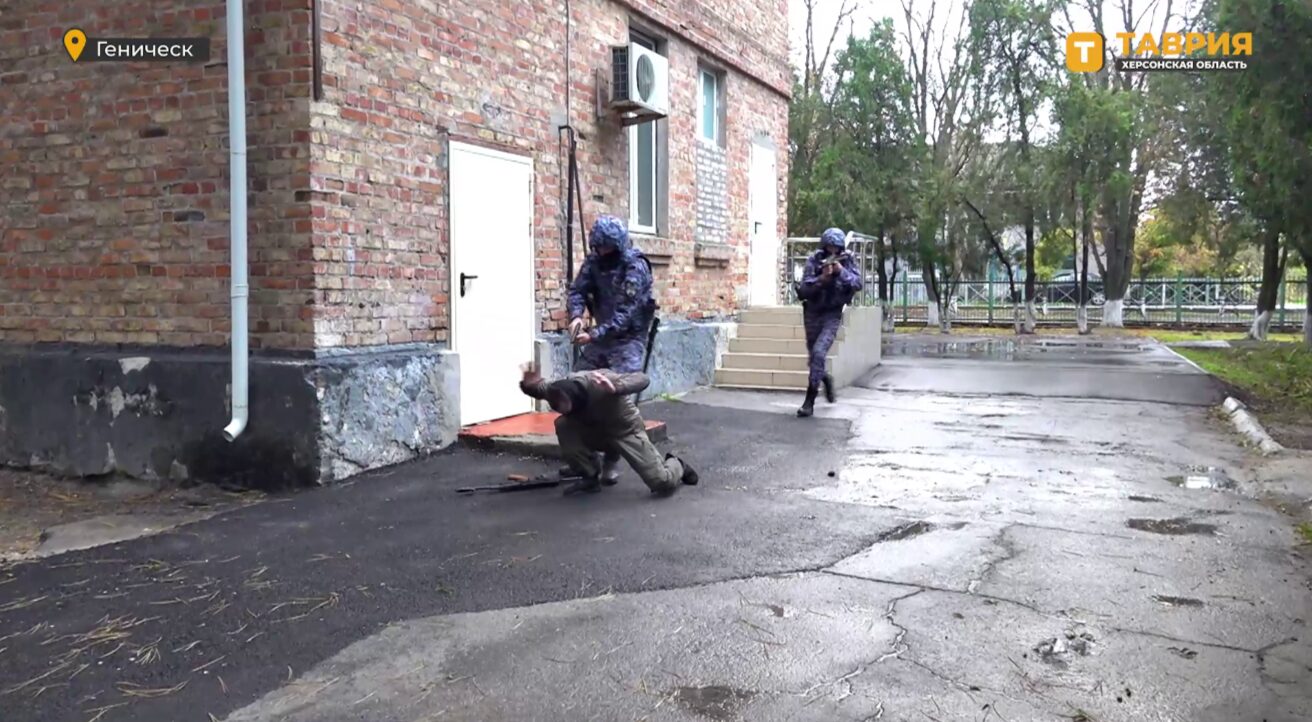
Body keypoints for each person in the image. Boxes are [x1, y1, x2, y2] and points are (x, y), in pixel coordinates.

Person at [565, 216, 657, 484]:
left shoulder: (635, 266)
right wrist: (576, 316)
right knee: (575, 388)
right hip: (601, 338)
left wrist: (593, 334)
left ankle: (611, 459)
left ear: (617, 245)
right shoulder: (594, 261)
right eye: (599, 247)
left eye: (606, 247)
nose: (602, 252)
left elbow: (626, 314)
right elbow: (577, 290)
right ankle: (585, 458)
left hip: (628, 339)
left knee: (614, 396)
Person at [519, 364, 697, 496]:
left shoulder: (599, 381)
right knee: (564, 424)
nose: (560, 409)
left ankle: (677, 464)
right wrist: (527, 384)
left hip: (625, 431)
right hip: (595, 430)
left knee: (661, 482)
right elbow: (537, 387)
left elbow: (642, 378)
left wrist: (617, 387)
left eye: (564, 407)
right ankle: (589, 476)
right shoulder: (556, 389)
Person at [795, 227, 863, 418]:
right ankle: (825, 378)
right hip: (813, 313)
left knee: (819, 352)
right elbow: (804, 289)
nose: (832, 251)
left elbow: (858, 283)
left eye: (836, 248)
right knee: (814, 358)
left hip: (832, 314)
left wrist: (841, 272)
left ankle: (809, 401)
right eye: (829, 247)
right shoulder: (814, 260)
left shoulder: (847, 260)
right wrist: (822, 278)